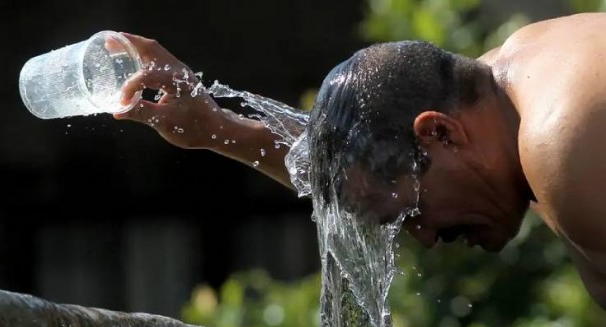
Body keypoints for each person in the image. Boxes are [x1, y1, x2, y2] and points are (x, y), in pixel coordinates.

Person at [114, 12, 606, 309]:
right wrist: (218, 128)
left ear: (439, 132)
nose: (428, 239)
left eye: (409, 215)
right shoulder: (511, 88)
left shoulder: (565, 147)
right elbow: (366, 170)